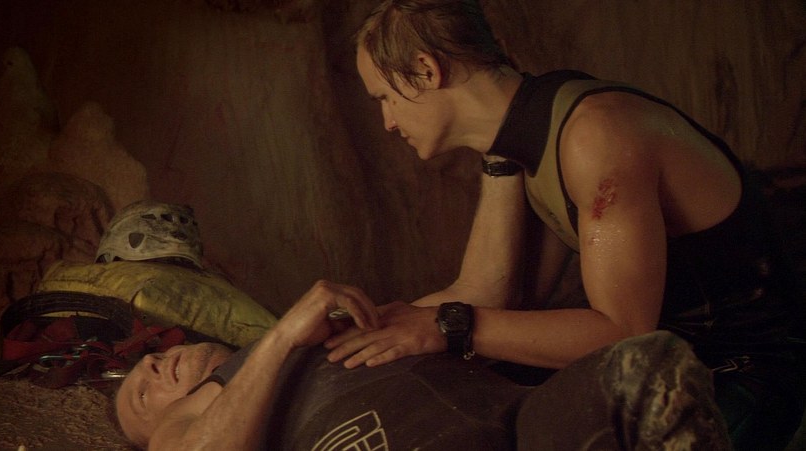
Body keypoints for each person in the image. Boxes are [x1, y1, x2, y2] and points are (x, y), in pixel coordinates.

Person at [324, 1, 806, 450]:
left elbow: (623, 332)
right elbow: (487, 294)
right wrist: (370, 327)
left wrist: (444, 324)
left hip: (748, 367)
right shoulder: (518, 137)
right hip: (664, 362)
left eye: (385, 98)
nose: (387, 122)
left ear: (426, 70)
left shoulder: (595, 134)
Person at [115, 279, 730, 450]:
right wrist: (278, 338)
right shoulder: (208, 412)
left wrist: (499, 156)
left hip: (517, 423)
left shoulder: (323, 329)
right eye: (142, 394)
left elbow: (481, 290)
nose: (152, 368)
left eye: (151, 359)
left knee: (652, 365)